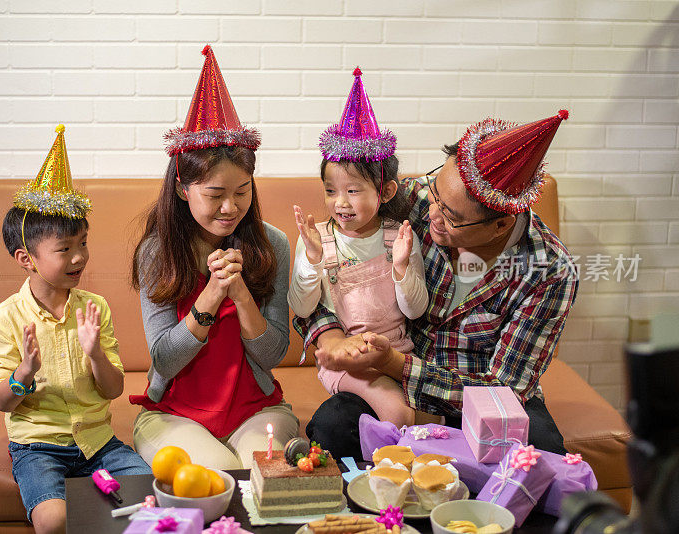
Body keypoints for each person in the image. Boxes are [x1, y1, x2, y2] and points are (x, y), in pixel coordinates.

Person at [297, 111, 577, 459]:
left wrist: (395, 364)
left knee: (543, 454)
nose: (432, 216)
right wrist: (332, 336)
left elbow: (505, 388)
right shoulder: (412, 200)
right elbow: (324, 263)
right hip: (392, 382)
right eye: (436, 195)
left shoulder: (549, 270)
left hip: (473, 395)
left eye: (451, 218)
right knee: (333, 425)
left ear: (501, 226)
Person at [129, 46, 298, 470]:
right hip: (174, 413)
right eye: (215, 195)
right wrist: (210, 295)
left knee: (268, 480)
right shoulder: (158, 252)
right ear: (184, 189)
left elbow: (274, 355)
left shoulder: (271, 244)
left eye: (242, 192)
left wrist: (241, 295)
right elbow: (164, 359)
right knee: (218, 480)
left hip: (255, 409)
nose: (230, 208)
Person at [0, 125, 150, 534]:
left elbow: (112, 389)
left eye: (83, 243)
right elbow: (3, 402)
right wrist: (22, 375)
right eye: (64, 249)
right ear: (27, 258)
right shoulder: (5, 317)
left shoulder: (95, 308)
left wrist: (94, 354)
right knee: (54, 519)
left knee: (151, 499)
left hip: (98, 443)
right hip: (38, 448)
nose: (79, 257)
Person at [288, 68, 428, 429]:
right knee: (397, 412)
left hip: (398, 354)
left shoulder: (398, 237)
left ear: (385, 193)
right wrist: (313, 261)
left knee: (420, 415)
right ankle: (383, 477)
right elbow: (301, 307)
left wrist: (401, 268)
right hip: (345, 357)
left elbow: (415, 310)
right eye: (331, 190)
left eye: (353, 190)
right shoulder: (318, 238)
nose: (340, 203)